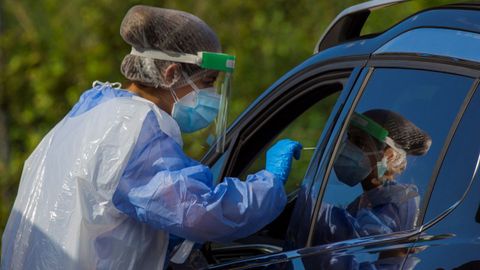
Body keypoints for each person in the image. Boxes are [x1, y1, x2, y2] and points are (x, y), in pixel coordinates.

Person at [1, 6, 302, 270]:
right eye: (207, 83)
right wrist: (270, 184)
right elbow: (199, 213)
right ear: (171, 74)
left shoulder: (91, 111)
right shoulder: (134, 129)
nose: (211, 96)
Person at [309, 109, 431, 269]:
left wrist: (310, 208)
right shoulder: (366, 200)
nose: (348, 148)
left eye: (359, 142)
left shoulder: (400, 200)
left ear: (389, 155)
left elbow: (358, 240)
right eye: (349, 139)